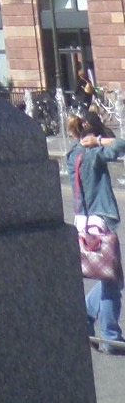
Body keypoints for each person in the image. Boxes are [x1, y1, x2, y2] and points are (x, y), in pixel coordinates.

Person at [68, 111, 125, 350]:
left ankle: (86, 316)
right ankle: (111, 337)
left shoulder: (73, 153)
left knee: (109, 276)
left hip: (83, 221)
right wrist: (100, 141)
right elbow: (121, 145)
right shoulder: (93, 153)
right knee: (112, 280)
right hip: (100, 221)